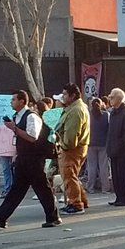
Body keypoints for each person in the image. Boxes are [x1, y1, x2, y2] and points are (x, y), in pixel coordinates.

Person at [0, 91, 62, 229]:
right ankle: (1, 218)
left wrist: (14, 128)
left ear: (22, 101)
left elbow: (32, 137)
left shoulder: (31, 116)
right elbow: (19, 139)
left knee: (42, 189)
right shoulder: (17, 117)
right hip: (23, 158)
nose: (11, 102)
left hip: (34, 159)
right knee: (16, 190)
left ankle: (53, 217)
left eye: (14, 99)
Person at [55, 83, 90, 215]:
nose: (63, 97)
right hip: (77, 147)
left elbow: (71, 134)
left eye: (65, 94)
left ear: (73, 95)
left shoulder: (76, 110)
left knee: (69, 176)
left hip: (72, 149)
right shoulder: (76, 107)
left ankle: (76, 204)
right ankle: (82, 201)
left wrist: (63, 145)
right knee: (72, 175)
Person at [105, 88, 125, 207]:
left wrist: (119, 145)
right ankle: (118, 197)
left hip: (123, 150)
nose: (110, 99)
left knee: (123, 176)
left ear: (119, 98)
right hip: (113, 150)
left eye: (112, 97)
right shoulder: (113, 112)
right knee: (116, 176)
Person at [86, 97, 111, 194]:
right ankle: (105, 188)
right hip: (103, 143)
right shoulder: (106, 115)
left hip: (91, 143)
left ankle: (90, 187)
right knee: (103, 166)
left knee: (91, 166)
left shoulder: (88, 115)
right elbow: (109, 129)